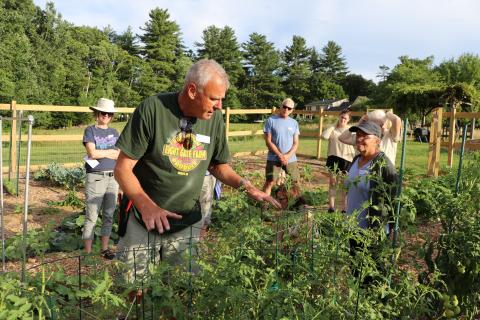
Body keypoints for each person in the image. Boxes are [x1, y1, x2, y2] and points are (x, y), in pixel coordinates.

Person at [114, 59, 281, 283]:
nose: (220, 105)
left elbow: (218, 165)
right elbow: (123, 168)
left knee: (182, 289)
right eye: (214, 98)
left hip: (185, 220)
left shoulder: (214, 120)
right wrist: (147, 207)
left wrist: (247, 187)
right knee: (135, 288)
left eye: (222, 98)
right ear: (193, 91)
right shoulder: (153, 109)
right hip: (142, 218)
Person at [344, 120, 397, 283]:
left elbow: (393, 200)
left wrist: (387, 229)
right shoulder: (355, 160)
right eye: (357, 135)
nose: (359, 139)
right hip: (353, 227)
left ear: (377, 140)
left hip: (372, 232)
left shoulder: (384, 165)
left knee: (372, 276)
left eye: (364, 136)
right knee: (355, 272)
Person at [82, 98, 120, 259]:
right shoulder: (90, 131)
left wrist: (102, 152)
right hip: (96, 177)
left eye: (109, 114)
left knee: (109, 215)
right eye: (103, 113)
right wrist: (109, 153)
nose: (106, 116)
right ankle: (88, 253)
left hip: (113, 177)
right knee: (92, 215)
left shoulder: (115, 132)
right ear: (96, 114)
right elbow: (92, 153)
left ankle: (104, 249)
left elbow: (119, 154)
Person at [262, 98, 300, 196]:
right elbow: (268, 141)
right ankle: (264, 206)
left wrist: (287, 156)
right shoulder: (271, 121)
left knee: (295, 182)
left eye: (289, 108)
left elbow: (296, 143)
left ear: (292, 110)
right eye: (284, 107)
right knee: (270, 182)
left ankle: (295, 206)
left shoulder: (294, 123)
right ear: (281, 106)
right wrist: (280, 155)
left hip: (290, 159)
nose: (286, 110)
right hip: (273, 157)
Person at [321, 109, 355, 213]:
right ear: (339, 117)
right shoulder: (332, 129)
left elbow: (354, 143)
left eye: (345, 118)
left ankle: (344, 208)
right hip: (333, 158)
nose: (343, 120)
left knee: (344, 184)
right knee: (333, 183)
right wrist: (333, 125)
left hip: (346, 159)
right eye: (341, 117)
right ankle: (331, 207)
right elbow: (324, 136)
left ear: (348, 120)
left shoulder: (350, 130)